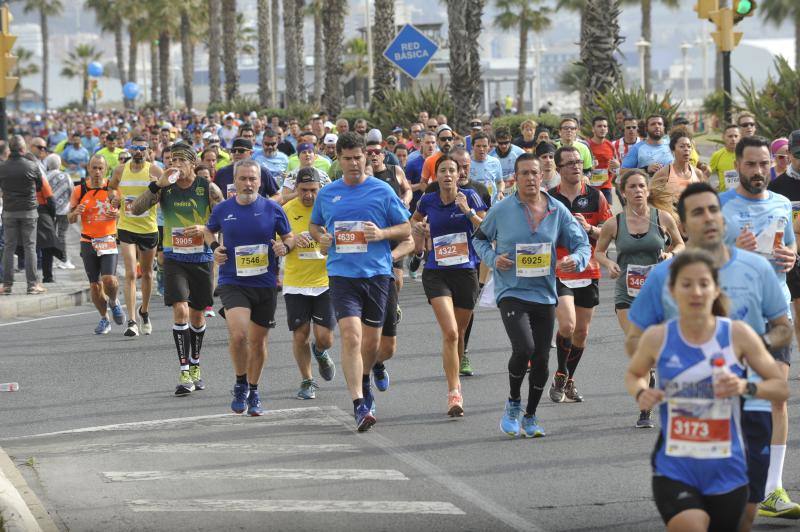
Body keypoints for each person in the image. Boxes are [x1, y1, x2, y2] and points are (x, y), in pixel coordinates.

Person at [625, 182, 796, 529]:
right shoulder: (662, 277)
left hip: (749, 407)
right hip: (687, 417)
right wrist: (666, 355)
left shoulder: (756, 267)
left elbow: (783, 326)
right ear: (683, 225)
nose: (709, 218)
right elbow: (636, 340)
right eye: (698, 212)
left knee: (743, 519)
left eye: (714, 209)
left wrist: (748, 349)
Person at [473, 153, 592, 438]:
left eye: (534, 173)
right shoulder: (502, 209)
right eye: (523, 173)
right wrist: (492, 256)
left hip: (544, 293)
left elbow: (582, 244)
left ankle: (531, 415)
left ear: (542, 177)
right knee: (524, 348)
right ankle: (514, 402)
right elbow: (478, 239)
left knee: (541, 359)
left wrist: (575, 260)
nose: (529, 178)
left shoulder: (557, 210)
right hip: (511, 291)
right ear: (515, 177)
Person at [719, 135, 799, 520]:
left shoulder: (783, 203)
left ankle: (772, 490)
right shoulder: (720, 206)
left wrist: (790, 255)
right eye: (750, 165)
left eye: (764, 164)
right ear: (738, 165)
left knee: (777, 397)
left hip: (777, 312)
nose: (758, 172)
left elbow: (791, 249)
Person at [309, 132, 411, 431]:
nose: (354, 163)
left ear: (366, 157)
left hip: (378, 275)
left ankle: (367, 376)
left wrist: (380, 234)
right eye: (347, 158)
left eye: (358, 157)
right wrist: (321, 238)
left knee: (375, 344)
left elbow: (406, 228)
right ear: (338, 161)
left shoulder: (381, 190)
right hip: (342, 274)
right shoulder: (328, 194)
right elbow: (316, 224)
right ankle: (358, 403)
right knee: (351, 336)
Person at [131, 142, 224, 396]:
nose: (174, 166)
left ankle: (195, 363)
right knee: (180, 310)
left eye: (180, 161)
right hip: (174, 258)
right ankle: (184, 370)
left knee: (197, 316)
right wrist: (157, 185)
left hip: (202, 258)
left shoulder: (208, 188)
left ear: (192, 163)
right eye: (171, 160)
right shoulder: (165, 188)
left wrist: (207, 232)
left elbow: (224, 220)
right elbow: (136, 209)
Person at [594, 169, 684, 427]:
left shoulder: (662, 218)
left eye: (641, 186)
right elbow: (599, 252)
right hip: (627, 293)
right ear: (623, 192)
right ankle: (645, 409)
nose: (636, 191)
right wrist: (609, 264)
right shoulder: (615, 223)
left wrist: (670, 255)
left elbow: (680, 244)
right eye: (631, 187)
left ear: (647, 190)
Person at [204, 159, 294, 415]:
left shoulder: (273, 209)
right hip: (233, 281)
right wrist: (215, 249)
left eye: (252, 179)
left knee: (258, 342)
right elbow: (208, 231)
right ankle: (241, 381)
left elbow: (289, 237)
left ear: (260, 181)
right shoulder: (223, 209)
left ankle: (254, 389)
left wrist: (284, 247)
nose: (248, 183)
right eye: (243, 179)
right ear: (235, 181)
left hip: (265, 283)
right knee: (239, 334)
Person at [411, 155, 487, 416]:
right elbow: (414, 221)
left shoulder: (470, 197)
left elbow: (487, 229)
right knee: (451, 333)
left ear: (458, 174)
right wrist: (419, 230)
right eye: (442, 170)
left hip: (466, 272)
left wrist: (468, 212)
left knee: (460, 334)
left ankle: (455, 365)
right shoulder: (428, 199)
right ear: (436, 175)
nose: (447, 175)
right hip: (436, 272)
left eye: (451, 170)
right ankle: (454, 393)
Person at [548, 146, 613, 404]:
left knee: (582, 333)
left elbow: (609, 232)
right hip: (560, 271)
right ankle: (562, 373)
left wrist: (590, 228)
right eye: (569, 163)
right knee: (567, 325)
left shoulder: (596, 197)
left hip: (588, 270)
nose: (576, 166)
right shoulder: (549, 199)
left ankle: (567, 378)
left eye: (578, 162)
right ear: (558, 169)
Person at [280, 167, 337, 400]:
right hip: (295, 282)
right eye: (304, 190)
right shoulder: (285, 211)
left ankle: (320, 352)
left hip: (325, 281)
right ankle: (307, 380)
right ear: (296, 189)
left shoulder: (329, 210)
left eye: (313, 190)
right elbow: (278, 243)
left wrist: (327, 241)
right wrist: (291, 241)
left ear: (320, 189)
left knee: (325, 338)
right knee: (300, 334)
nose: (308, 195)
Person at [108, 136, 162, 337]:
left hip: (148, 228)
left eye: (142, 148)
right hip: (126, 226)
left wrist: (155, 196)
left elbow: (166, 192)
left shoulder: (155, 171)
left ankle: (144, 312)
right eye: (135, 148)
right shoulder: (121, 170)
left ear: (148, 150)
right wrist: (114, 198)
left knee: (147, 273)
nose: (138, 151)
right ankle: (131, 321)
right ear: (129, 150)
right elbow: (111, 187)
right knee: (131, 273)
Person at [67, 155, 125, 334]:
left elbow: (125, 213)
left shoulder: (113, 189)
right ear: (89, 169)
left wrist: (118, 215)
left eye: (101, 168)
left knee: (109, 279)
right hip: (87, 241)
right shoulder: (79, 189)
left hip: (108, 239)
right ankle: (104, 318)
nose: (97, 172)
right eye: (94, 168)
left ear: (106, 170)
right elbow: (69, 219)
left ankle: (114, 302)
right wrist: (75, 212)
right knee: (95, 285)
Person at [0, 135, 48, 295]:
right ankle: (32, 285)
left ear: (10, 149)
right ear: (22, 149)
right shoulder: (32, 165)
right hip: (28, 210)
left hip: (9, 211)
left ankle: (6, 285)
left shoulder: (2, 166)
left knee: (8, 247)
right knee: (30, 247)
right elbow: (40, 186)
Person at [213, 138, 280, 201]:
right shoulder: (222, 173)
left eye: (241, 151)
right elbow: (213, 195)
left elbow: (277, 195)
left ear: (251, 153)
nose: (236, 153)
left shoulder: (262, 172)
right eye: (233, 151)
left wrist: (264, 204)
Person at [650, 130, 705, 206]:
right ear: (673, 150)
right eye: (682, 146)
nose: (686, 149)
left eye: (689, 146)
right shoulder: (664, 173)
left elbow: (704, 197)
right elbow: (650, 196)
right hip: (671, 216)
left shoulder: (698, 173)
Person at [586, 116, 620, 204]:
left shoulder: (610, 145)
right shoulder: (586, 145)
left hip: (606, 186)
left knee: (607, 216)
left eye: (605, 126)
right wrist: (591, 167)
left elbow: (616, 168)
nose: (602, 128)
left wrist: (617, 165)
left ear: (607, 129)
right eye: (599, 126)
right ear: (593, 129)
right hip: (589, 186)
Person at [470, 132, 504, 203]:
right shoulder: (467, 163)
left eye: (484, 146)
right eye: (478, 146)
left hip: (492, 205)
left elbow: (500, 182)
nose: (481, 149)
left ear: (489, 147)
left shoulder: (495, 162)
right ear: (472, 146)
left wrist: (500, 192)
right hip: (474, 205)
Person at [708, 125, 741, 192]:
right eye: (730, 136)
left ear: (740, 137)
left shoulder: (746, 154)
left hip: (743, 197)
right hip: (724, 198)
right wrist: (710, 189)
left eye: (736, 136)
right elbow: (705, 175)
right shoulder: (717, 155)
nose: (733, 139)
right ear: (723, 137)